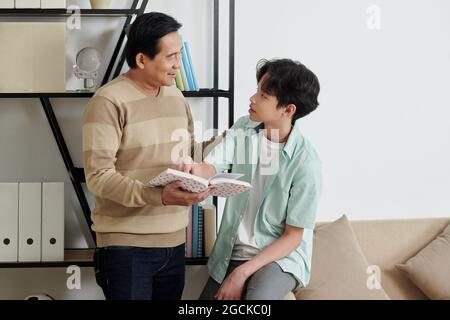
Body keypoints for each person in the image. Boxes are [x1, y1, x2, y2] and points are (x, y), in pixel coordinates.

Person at [82, 12, 218, 300]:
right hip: (126, 249)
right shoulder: (108, 101)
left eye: (179, 55)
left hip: (174, 243)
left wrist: (231, 140)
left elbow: (189, 150)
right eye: (171, 57)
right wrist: (160, 196)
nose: (178, 66)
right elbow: (98, 177)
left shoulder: (176, 97)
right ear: (142, 59)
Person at [191, 58, 322, 300]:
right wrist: (191, 170)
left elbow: (293, 237)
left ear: (288, 109)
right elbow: (212, 164)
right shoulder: (244, 128)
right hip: (233, 251)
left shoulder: (306, 162)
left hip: (279, 258)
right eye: (257, 90)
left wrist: (241, 274)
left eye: (263, 95)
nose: (252, 98)